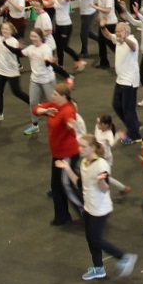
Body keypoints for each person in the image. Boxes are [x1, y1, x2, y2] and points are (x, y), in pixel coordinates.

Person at [57, 135, 138, 281]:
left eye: (83, 147)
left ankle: (124, 257)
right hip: (88, 208)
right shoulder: (84, 163)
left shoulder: (102, 165)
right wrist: (68, 168)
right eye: (79, 146)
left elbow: (105, 189)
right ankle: (98, 269)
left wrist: (101, 182)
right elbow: (79, 184)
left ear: (93, 148)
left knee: (96, 239)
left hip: (100, 210)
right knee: (91, 239)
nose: (80, 149)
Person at [32, 83, 81, 226]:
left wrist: (71, 124)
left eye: (55, 95)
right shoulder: (54, 105)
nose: (52, 96)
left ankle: (85, 212)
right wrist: (44, 112)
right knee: (58, 186)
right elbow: (35, 108)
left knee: (65, 186)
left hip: (67, 154)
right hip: (58, 153)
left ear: (63, 97)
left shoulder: (67, 110)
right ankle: (63, 216)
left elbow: (70, 120)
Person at [0, 22, 30, 123]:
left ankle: (34, 105)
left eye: (6, 29)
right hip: (1, 71)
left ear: (11, 31)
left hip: (12, 71)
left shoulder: (13, 41)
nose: (4, 31)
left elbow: (17, 52)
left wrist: (9, 45)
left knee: (17, 92)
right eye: (3, 29)